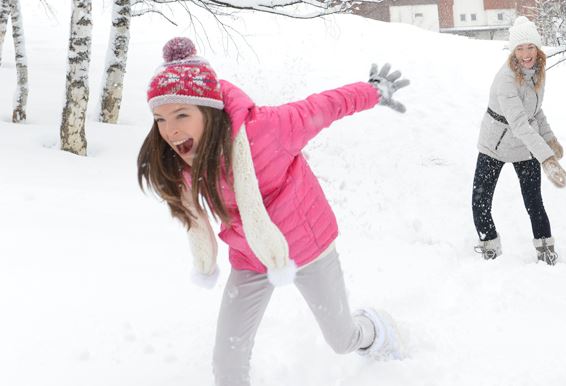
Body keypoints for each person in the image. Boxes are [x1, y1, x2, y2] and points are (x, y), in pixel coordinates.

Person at [137, 37, 410, 386]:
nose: (170, 130)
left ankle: (376, 330)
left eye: (181, 115)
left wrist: (372, 92)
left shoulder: (267, 129)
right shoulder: (181, 161)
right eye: (160, 119)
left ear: (208, 109)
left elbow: (324, 106)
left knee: (342, 340)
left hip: (307, 248)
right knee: (227, 364)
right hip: (251, 257)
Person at [472, 16, 566, 265]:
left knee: (534, 200)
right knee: (481, 200)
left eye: (530, 47)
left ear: (537, 48)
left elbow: (535, 111)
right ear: (513, 51)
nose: (526, 54)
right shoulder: (505, 78)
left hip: (524, 145)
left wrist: (550, 139)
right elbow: (518, 123)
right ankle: (489, 244)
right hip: (495, 143)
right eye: (520, 48)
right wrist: (546, 157)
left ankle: (545, 248)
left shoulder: (537, 73)